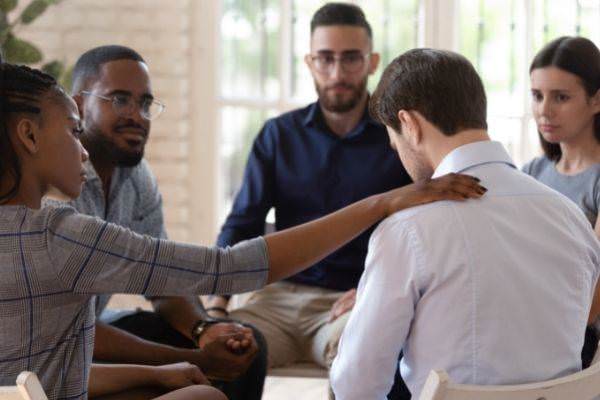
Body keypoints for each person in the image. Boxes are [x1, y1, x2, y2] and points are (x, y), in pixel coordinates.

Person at [0, 63, 484, 400]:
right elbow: (229, 267)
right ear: (27, 136)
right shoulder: (61, 235)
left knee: (196, 379)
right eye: (71, 129)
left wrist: (173, 362)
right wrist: (384, 201)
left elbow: (35, 374)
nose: (81, 149)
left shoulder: (72, 218)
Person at [330, 48, 600, 399]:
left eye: (393, 141)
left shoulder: (408, 229)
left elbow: (356, 385)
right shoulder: (570, 218)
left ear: (409, 125)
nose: (397, 152)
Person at [207, 4, 412, 393]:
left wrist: (378, 291)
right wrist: (217, 307)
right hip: (277, 299)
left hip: (354, 300)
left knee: (372, 355)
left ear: (371, 62)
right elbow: (242, 224)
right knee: (225, 352)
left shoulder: (399, 139)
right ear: (310, 62)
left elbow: (425, 226)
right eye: (326, 59)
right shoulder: (277, 136)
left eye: (350, 59)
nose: (337, 73)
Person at [58, 45, 267, 400]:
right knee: (197, 375)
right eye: (120, 99)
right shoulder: (56, 181)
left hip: (95, 329)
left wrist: (204, 330)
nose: (136, 115)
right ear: (78, 104)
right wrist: (192, 358)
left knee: (241, 346)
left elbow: (162, 283)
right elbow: (69, 330)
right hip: (58, 351)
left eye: (144, 104)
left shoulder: (137, 177)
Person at [522, 36, 600, 367]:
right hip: (525, 321)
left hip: (572, 339)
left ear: (596, 100)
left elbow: (595, 294)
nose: (545, 110)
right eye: (537, 96)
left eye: (561, 97)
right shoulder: (532, 171)